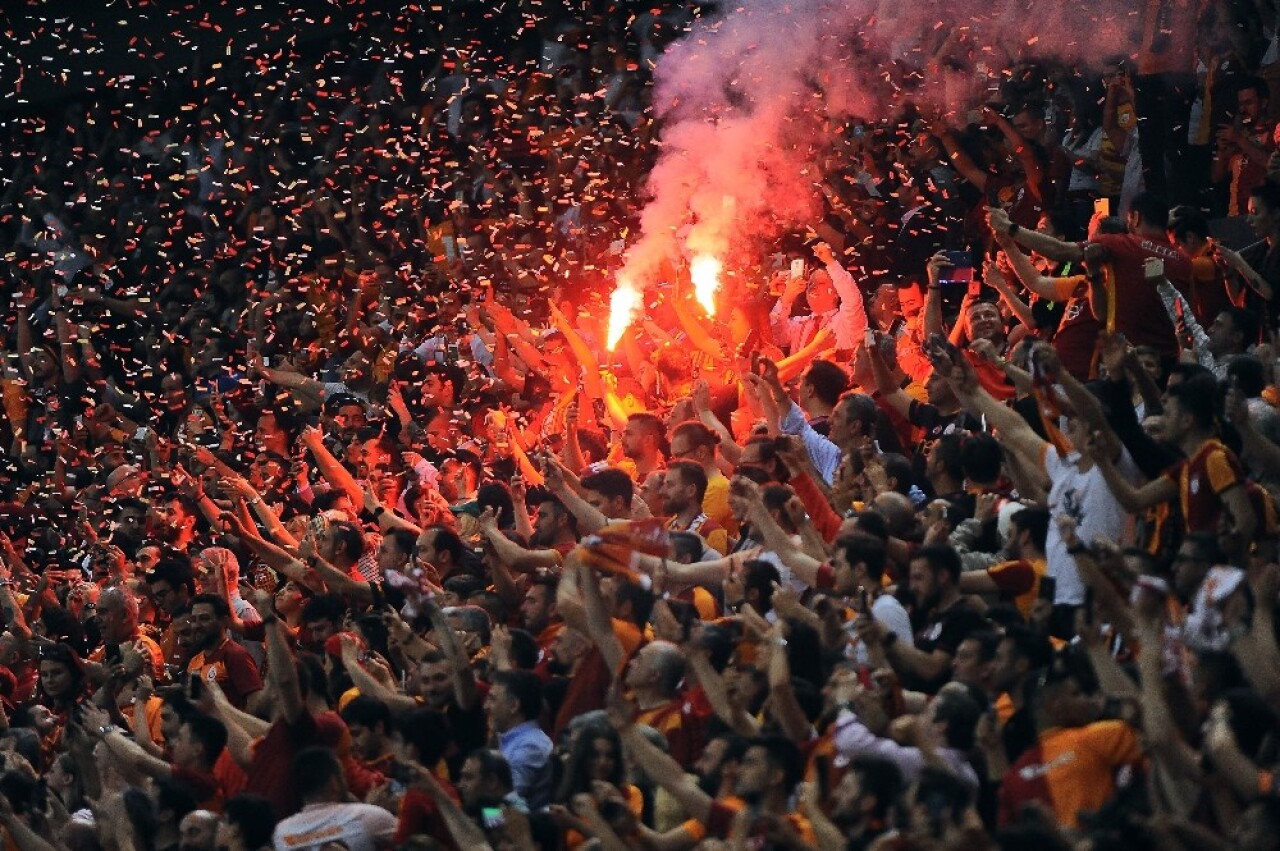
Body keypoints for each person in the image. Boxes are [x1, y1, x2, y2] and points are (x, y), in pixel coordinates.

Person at [271, 746, 397, 851]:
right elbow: (411, 835)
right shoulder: (367, 816)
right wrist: (374, 808)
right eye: (342, 775)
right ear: (334, 783)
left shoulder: (280, 833)